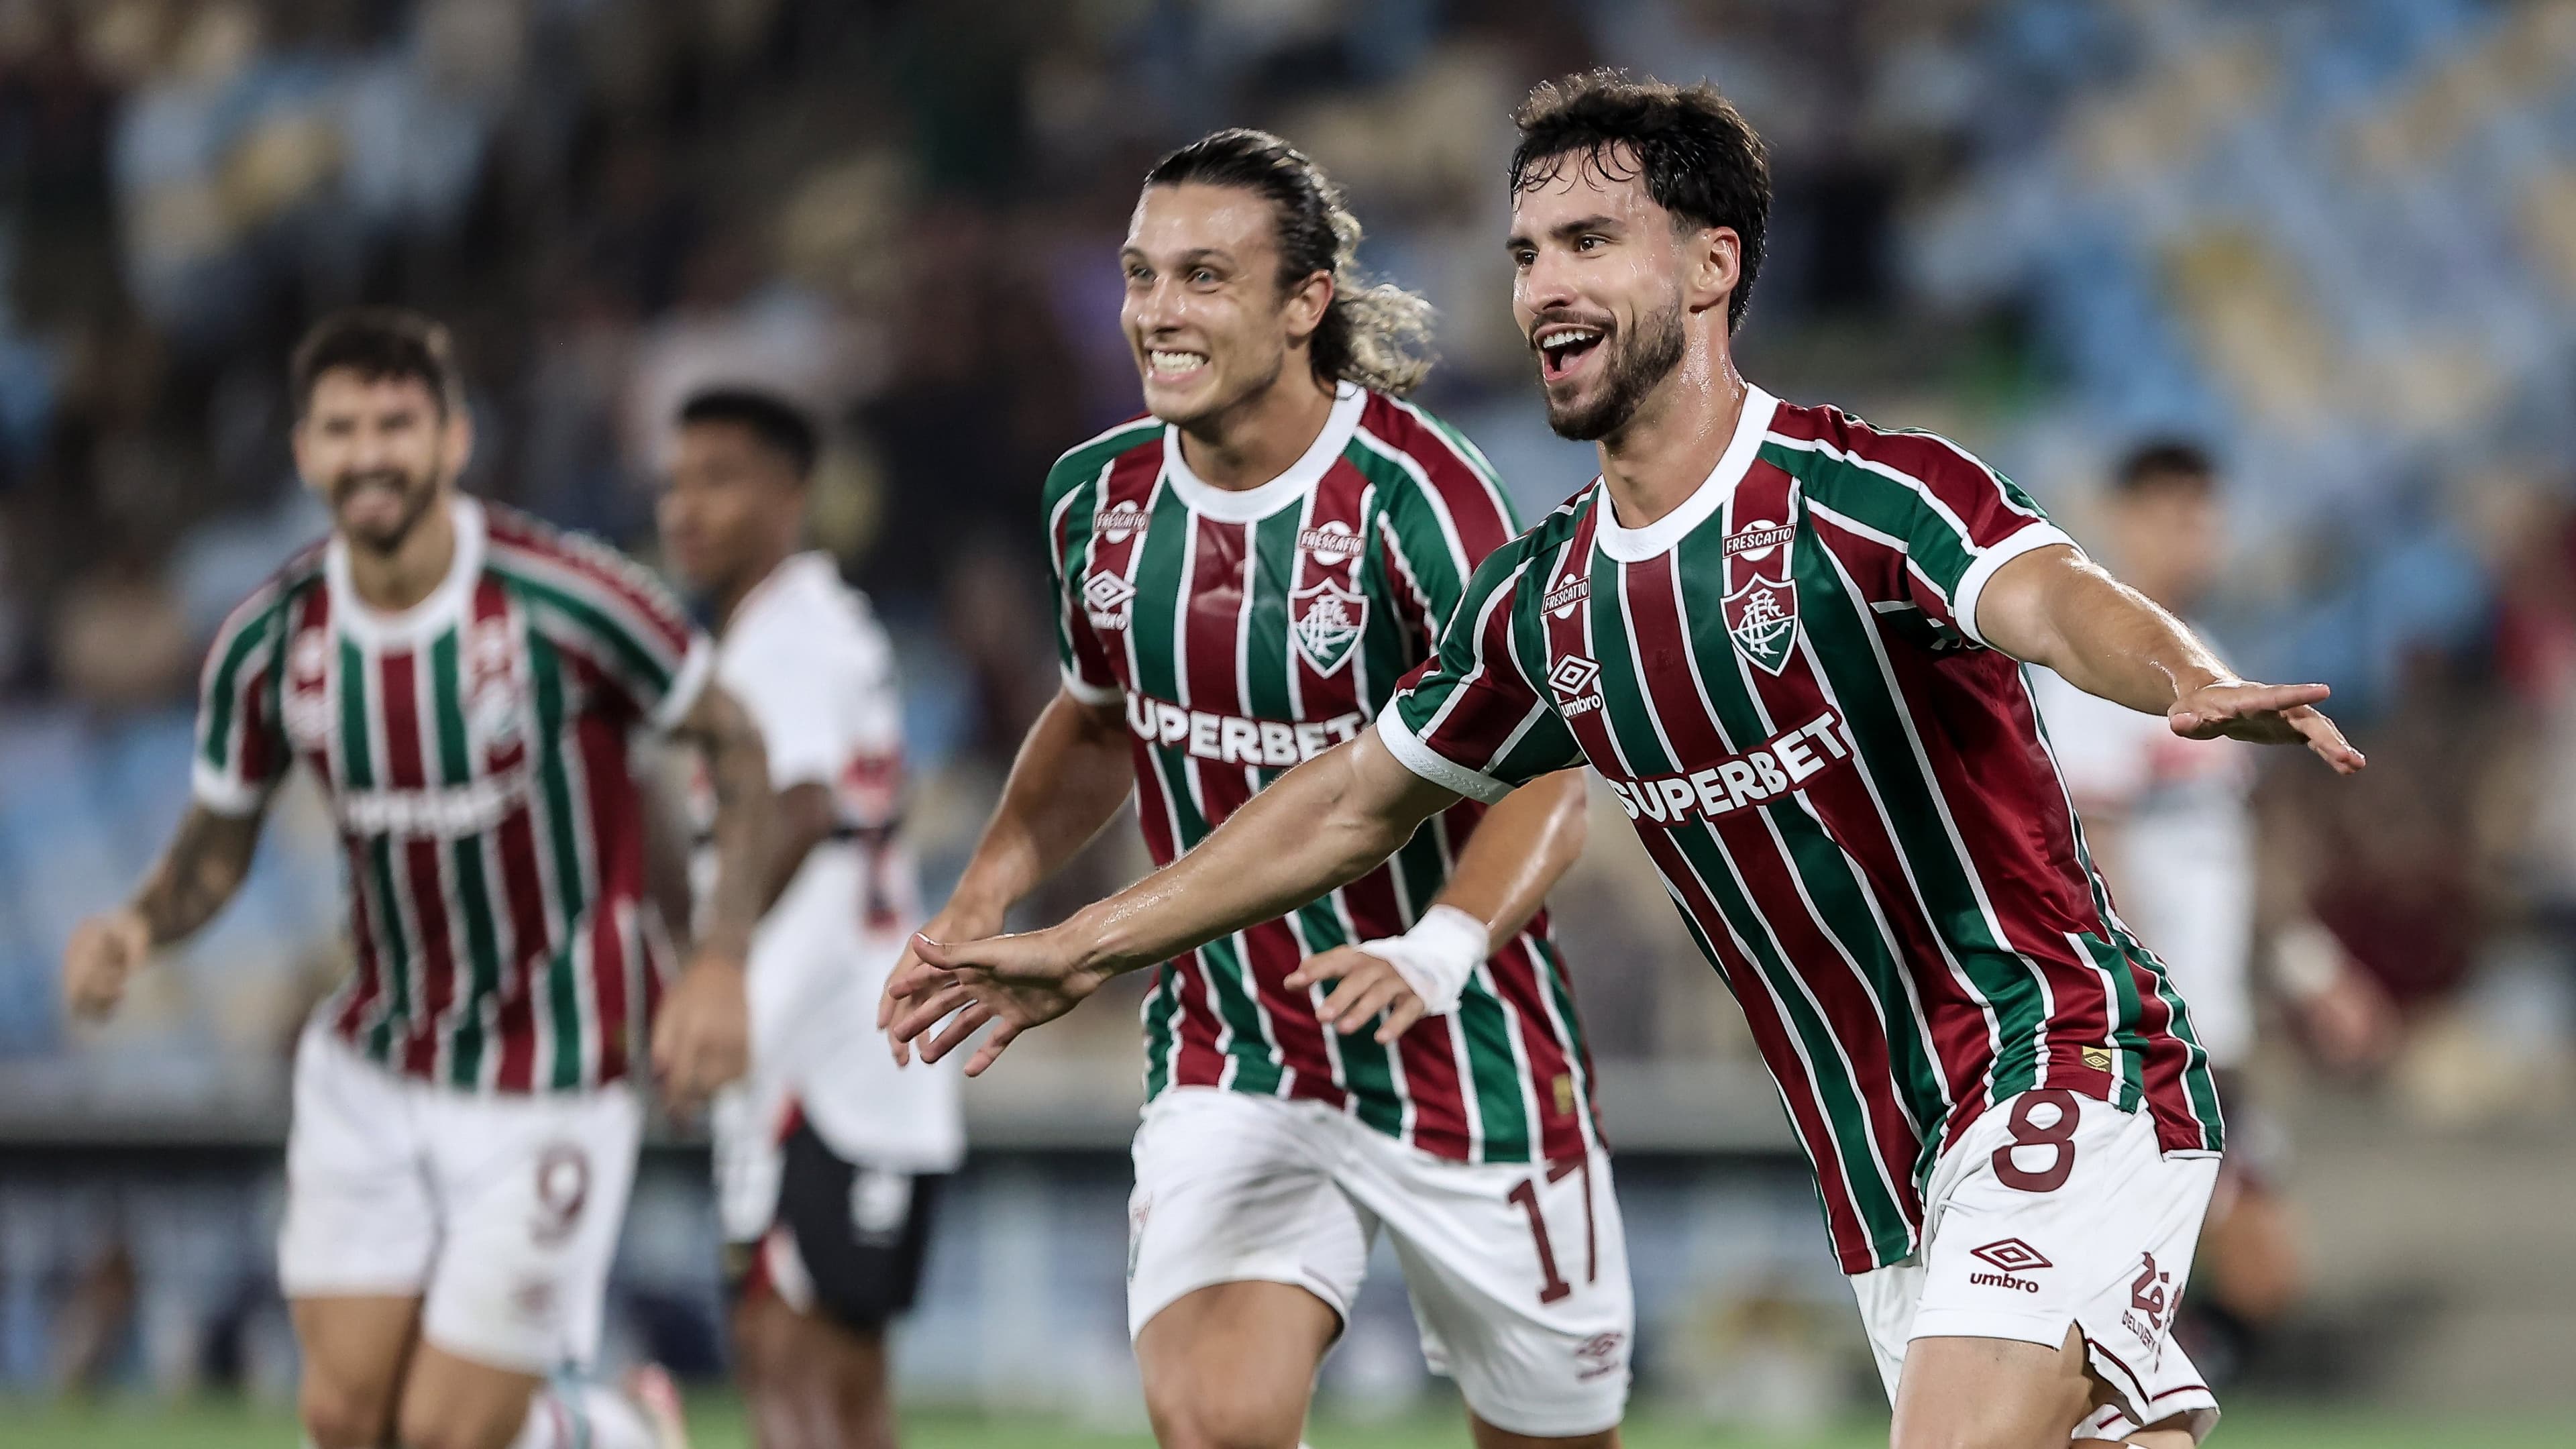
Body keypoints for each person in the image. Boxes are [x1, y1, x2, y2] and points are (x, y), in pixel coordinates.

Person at [885, 75, 2368, 1449]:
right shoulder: (1545, 603)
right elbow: (1347, 804)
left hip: (2056, 1056)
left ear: (1712, 267)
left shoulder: (1856, 497)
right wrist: (1084, 942)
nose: (1544, 286)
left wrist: (2186, 677)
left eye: (1590, 242)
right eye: (1527, 253)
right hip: (1877, 1155)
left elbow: (2050, 597)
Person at [881, 129, 1631, 1449]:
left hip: (1463, 1044)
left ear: (1304, 303)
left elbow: (1544, 776)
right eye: (1141, 275)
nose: (1158, 311)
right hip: (1235, 1043)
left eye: (1205, 277)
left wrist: (1441, 945)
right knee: (1215, 1423)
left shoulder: (1420, 498)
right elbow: (1098, 721)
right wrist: (983, 895)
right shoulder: (1098, 500)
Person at [60, 308, 774, 1449]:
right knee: (348, 1422)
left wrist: (720, 962)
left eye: (396, 425)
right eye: (342, 429)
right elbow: (219, 839)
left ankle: (615, 1432)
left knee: (445, 1437)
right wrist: (139, 927)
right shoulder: (272, 640)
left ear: (453, 438)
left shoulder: (567, 597)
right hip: (378, 1064)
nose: (370, 454)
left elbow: (735, 745)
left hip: (556, 1068)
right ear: (306, 452)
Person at [2029, 441, 2395, 1392]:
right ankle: (2094, 1398)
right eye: (2171, 514)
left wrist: (2316, 973)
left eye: (2205, 514)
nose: (2193, 536)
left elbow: (2239, 854)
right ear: (2123, 519)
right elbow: (2092, 852)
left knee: (2247, 1267)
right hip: (2152, 1024)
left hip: (2214, 1023)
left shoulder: (2210, 659)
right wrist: (2143, 1005)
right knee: (2216, 1260)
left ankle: (2116, 1396)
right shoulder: (2098, 671)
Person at [656, 388, 961, 1449]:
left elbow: (797, 807)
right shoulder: (824, 624)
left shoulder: (782, 639)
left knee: (787, 1370)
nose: (687, 508)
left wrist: (713, 976)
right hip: (856, 1061)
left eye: (720, 480)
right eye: (676, 483)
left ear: (792, 495)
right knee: (842, 1389)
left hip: (819, 1065)